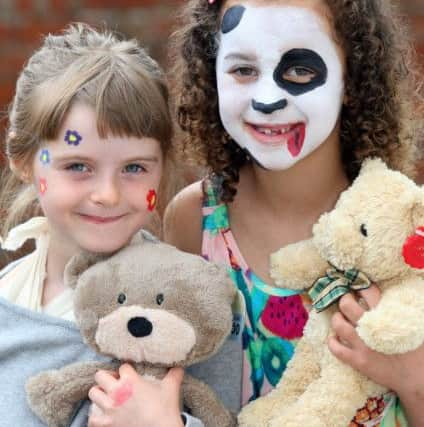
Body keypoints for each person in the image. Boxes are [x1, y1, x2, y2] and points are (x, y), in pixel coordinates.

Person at [88, 0, 424, 426]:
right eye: (243, 69)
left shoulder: (402, 227)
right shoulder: (193, 221)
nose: (267, 100)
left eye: (300, 70)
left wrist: (413, 377)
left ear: (353, 79)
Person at [0, 22, 192, 427]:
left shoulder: (186, 302)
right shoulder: (8, 296)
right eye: (79, 166)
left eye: (134, 168)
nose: (108, 194)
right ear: (22, 160)